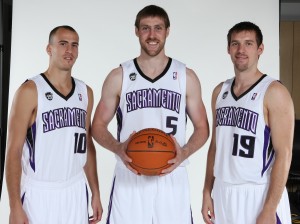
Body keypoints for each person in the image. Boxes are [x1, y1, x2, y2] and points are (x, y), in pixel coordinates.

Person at [92, 5, 209, 224]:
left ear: (167, 31)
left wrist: (185, 152)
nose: (152, 35)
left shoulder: (186, 76)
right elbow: (97, 125)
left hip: (172, 175)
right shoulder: (120, 76)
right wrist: (117, 147)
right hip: (130, 175)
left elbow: (203, 128)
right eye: (145, 28)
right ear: (136, 31)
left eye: (158, 28)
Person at [5, 25, 103, 224]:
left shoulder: (85, 92)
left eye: (74, 45)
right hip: (40, 193)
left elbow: (87, 145)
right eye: (63, 44)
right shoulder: (30, 91)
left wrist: (95, 192)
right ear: (49, 49)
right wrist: (14, 206)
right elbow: (13, 151)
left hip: (75, 189)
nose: (70, 50)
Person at [201, 21, 294, 224]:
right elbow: (215, 147)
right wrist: (207, 191)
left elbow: (284, 154)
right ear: (228, 49)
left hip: (258, 194)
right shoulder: (220, 91)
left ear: (260, 49)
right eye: (235, 44)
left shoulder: (274, 92)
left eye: (248, 43)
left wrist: (270, 209)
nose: (241, 50)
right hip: (223, 193)